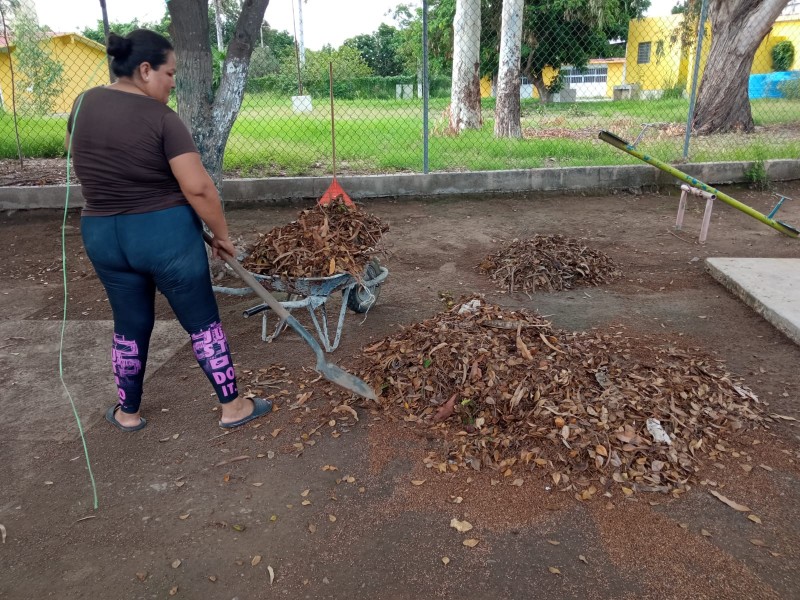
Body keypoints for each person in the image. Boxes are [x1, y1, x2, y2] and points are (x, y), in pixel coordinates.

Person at [66, 29, 271, 432]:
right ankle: (233, 407)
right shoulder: (163, 118)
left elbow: (89, 162)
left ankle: (128, 412)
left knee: (129, 322)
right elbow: (198, 188)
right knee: (201, 321)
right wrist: (222, 234)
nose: (174, 83)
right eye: (170, 73)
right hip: (164, 237)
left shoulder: (82, 103)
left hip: (102, 235)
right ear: (145, 70)